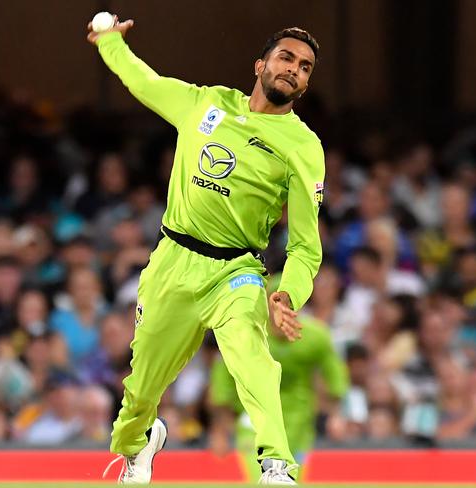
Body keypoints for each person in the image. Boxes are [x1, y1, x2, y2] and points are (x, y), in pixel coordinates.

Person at [89, 15, 324, 485]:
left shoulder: (303, 146)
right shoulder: (206, 103)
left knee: (248, 351)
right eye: (286, 58)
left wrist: (288, 294)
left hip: (235, 270)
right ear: (260, 65)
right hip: (173, 261)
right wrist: (109, 43)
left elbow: (304, 244)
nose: (294, 69)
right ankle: (138, 444)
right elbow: (144, 81)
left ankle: (277, 465)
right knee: (141, 389)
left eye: (305, 67)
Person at [209, 313, 348, 482]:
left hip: (298, 421)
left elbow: (335, 375)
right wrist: (219, 429)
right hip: (253, 415)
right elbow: (222, 379)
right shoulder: (247, 333)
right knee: (260, 478)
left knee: (291, 479)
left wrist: (336, 415)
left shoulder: (315, 337)